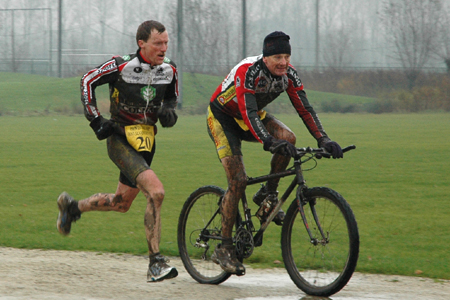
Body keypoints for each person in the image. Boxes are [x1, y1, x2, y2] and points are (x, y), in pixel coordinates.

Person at [206, 31, 343, 275]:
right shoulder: (248, 71)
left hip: (250, 116)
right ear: (266, 58)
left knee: (288, 138)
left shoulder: (289, 75)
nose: (283, 62)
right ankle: (224, 248)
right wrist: (268, 141)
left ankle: (267, 195)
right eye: (278, 56)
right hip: (223, 118)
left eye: (287, 56)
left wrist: (324, 138)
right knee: (237, 181)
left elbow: (305, 108)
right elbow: (248, 112)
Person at [56, 20, 179, 282]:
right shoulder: (121, 66)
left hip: (146, 142)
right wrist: (96, 120)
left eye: (166, 42)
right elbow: (87, 79)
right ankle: (155, 263)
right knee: (156, 192)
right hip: (120, 140)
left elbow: (171, 97)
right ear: (141, 44)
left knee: (121, 203)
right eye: (158, 43)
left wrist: (169, 112)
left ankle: (72, 207)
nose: (164, 48)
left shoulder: (169, 69)